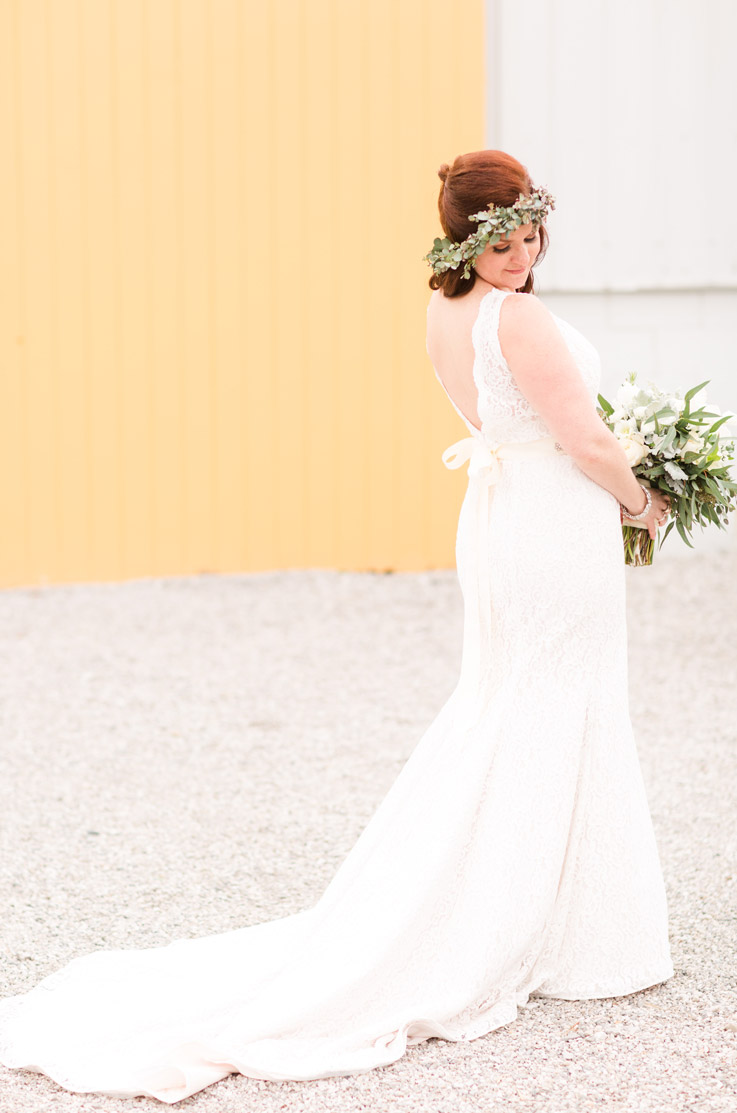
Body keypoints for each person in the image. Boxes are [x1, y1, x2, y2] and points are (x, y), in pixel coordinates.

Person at [0, 149, 674, 1104]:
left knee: (517, 702)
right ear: (468, 239)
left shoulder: (446, 309)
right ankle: (550, 930)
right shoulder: (514, 318)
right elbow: (585, 437)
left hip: (503, 517)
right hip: (548, 530)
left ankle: (541, 909)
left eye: (532, 239)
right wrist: (644, 501)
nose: (523, 257)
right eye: (506, 242)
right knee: (556, 704)